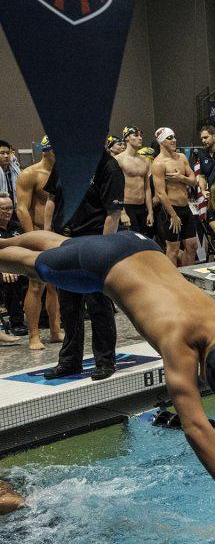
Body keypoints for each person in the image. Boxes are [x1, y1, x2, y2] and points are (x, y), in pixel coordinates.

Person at [0, 229, 215, 537]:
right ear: (203, 366)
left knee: (62, 246)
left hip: (140, 244)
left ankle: (8, 238)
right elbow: (195, 426)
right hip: (103, 267)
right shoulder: (182, 341)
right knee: (35, 266)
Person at [42, 149, 123, 379]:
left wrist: (104, 251)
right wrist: (47, 236)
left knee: (98, 305)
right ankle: (70, 360)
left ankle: (105, 360)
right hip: (63, 242)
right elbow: (51, 199)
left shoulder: (109, 167)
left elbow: (113, 213)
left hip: (92, 243)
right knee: (69, 306)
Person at [15, 138, 61, 350]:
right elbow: (22, 209)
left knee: (56, 286)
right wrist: (31, 237)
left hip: (58, 235)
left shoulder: (63, 172)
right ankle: (34, 336)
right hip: (38, 234)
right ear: (45, 151)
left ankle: (54, 330)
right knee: (36, 285)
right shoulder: (30, 174)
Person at [151, 127, 199, 267]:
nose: (174, 140)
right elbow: (160, 193)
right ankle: (173, 282)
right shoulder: (158, 164)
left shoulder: (182, 158)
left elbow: (194, 181)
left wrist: (180, 177)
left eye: (174, 137)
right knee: (173, 249)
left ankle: (189, 278)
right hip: (171, 211)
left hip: (185, 208)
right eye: (170, 138)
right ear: (161, 141)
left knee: (192, 246)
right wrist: (173, 215)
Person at [115, 126, 153, 236]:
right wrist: (122, 212)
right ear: (126, 138)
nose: (140, 138)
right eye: (136, 135)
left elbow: (147, 188)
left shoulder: (145, 160)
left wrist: (150, 212)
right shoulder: (119, 160)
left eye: (141, 135)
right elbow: (116, 188)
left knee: (144, 244)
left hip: (142, 208)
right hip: (127, 207)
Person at [0, 194, 24, 345]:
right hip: (3, 269)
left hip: (20, 267)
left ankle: (45, 320)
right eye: (4, 209)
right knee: (9, 279)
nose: (8, 212)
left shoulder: (16, 227)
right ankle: (17, 323)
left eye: (11, 208)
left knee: (42, 277)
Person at [0, 140, 21, 206]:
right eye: (2, 153)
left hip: (15, 208)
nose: (6, 156)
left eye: (8, 153)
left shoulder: (16, 170)